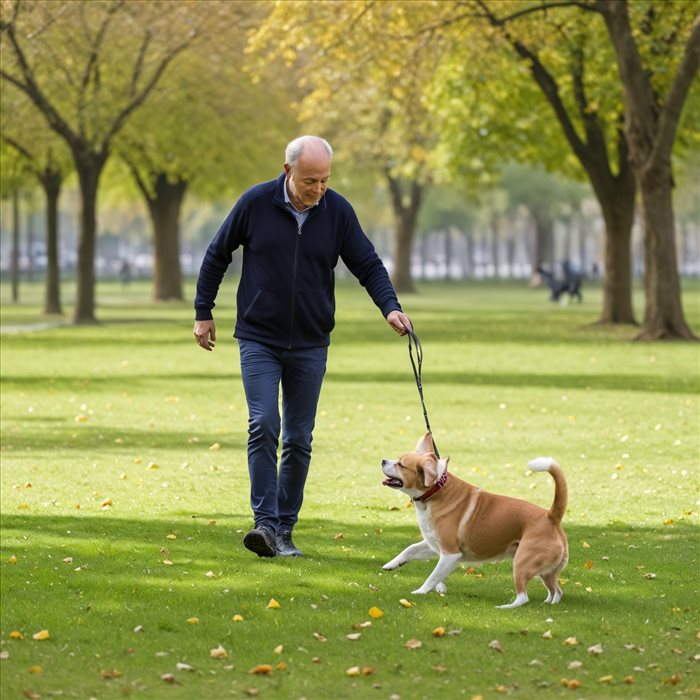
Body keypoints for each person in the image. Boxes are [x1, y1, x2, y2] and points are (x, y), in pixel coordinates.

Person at [193, 135, 412, 559]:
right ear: (288, 170)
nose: (318, 189)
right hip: (259, 336)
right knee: (263, 424)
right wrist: (204, 311)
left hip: (311, 342)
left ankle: (284, 530)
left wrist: (390, 308)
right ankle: (265, 524)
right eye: (310, 180)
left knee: (298, 438)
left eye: (325, 180)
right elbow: (217, 253)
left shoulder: (337, 211)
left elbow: (366, 263)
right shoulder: (255, 203)